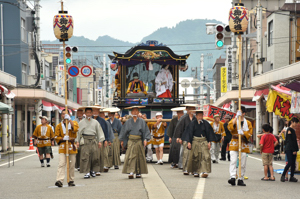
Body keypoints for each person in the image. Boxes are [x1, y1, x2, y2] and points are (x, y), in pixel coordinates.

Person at [119, 106, 151, 179]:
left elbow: (145, 131)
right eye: (133, 111)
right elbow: (124, 131)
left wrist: (145, 139)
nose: (135, 112)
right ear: (131, 112)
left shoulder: (142, 121)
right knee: (130, 156)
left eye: (136, 111)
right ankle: (131, 171)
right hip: (131, 140)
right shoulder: (128, 121)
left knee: (139, 156)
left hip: (139, 140)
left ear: (138, 112)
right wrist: (122, 140)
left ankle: (138, 172)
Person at [183, 110, 216, 178]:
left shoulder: (206, 123)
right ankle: (195, 171)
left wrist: (209, 142)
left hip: (204, 140)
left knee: (205, 155)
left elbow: (209, 133)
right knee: (195, 156)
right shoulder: (192, 123)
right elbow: (189, 133)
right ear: (196, 116)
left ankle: (204, 171)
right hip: (195, 140)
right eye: (199, 115)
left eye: (202, 116)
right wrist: (189, 142)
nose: (200, 117)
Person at [76, 107, 105, 179]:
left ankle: (93, 170)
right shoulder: (81, 122)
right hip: (85, 140)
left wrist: (100, 141)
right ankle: (87, 172)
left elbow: (99, 132)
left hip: (93, 140)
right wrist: (77, 141)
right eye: (87, 113)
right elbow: (78, 133)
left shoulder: (95, 122)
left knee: (94, 156)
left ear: (92, 113)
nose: (88, 114)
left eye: (90, 113)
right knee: (85, 156)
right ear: (85, 114)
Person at [227, 107, 253, 186]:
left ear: (244, 113)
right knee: (233, 160)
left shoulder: (247, 122)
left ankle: (240, 178)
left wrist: (243, 133)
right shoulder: (234, 120)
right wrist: (236, 117)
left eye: (240, 112)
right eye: (237, 111)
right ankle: (232, 177)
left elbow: (250, 133)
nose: (239, 113)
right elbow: (230, 127)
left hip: (243, 143)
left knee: (243, 162)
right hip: (234, 143)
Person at [54, 110, 79, 187]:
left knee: (71, 164)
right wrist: (62, 138)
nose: (64, 115)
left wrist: (70, 120)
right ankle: (59, 180)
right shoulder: (59, 125)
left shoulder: (74, 122)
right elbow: (56, 137)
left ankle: (71, 180)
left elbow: (75, 129)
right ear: (61, 115)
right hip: (63, 146)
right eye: (63, 114)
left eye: (66, 114)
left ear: (69, 115)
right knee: (61, 163)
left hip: (71, 146)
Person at [174, 104, 197, 175]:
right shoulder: (184, 118)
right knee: (186, 154)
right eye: (191, 109)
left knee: (194, 154)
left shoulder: (195, 118)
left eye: (194, 109)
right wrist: (179, 137)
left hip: (194, 138)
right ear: (188, 110)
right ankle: (186, 168)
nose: (193, 111)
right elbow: (179, 128)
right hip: (186, 137)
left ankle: (193, 169)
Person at [91, 106, 109, 176]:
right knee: (92, 155)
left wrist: (106, 140)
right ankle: (92, 169)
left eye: (96, 111)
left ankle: (98, 169)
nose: (95, 113)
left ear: (98, 112)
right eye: (94, 111)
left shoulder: (102, 120)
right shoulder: (89, 119)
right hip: (91, 139)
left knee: (99, 155)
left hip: (100, 139)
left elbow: (105, 131)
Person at [280, 117, 299, 183]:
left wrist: (296, 149)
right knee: (290, 162)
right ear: (292, 122)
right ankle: (283, 175)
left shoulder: (293, 130)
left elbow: (294, 141)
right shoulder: (289, 130)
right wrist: (294, 150)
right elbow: (290, 141)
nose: (296, 124)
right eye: (295, 123)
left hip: (293, 149)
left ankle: (292, 176)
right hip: (289, 149)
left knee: (293, 163)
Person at [99, 108, 115, 172]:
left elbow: (109, 131)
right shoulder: (96, 121)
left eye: (103, 115)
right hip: (98, 139)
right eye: (100, 115)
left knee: (105, 153)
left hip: (105, 139)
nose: (102, 116)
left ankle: (105, 165)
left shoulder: (106, 123)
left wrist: (109, 140)